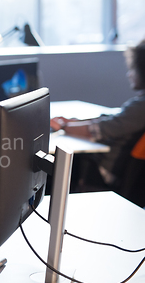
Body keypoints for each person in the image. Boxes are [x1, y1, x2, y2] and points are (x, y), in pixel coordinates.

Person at [51, 39, 145, 190]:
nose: (129, 74)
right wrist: (73, 122)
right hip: (116, 171)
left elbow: (99, 129)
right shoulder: (139, 106)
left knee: (52, 168)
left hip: (104, 173)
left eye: (132, 69)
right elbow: (114, 119)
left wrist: (63, 126)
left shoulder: (141, 107)